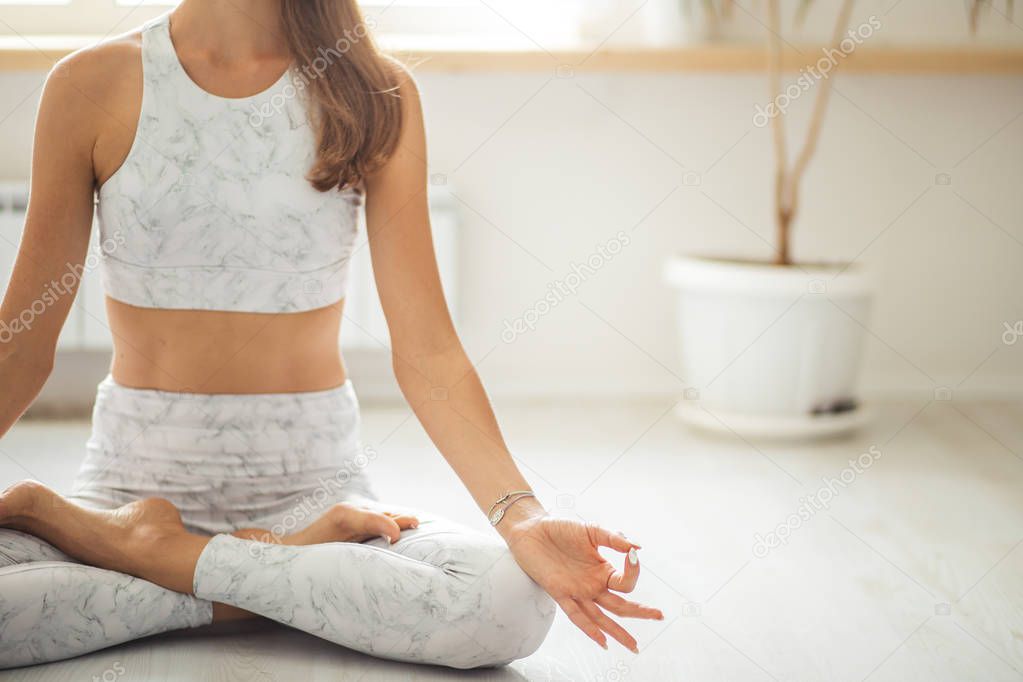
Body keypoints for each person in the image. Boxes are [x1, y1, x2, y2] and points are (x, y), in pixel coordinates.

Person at [0, 0, 662, 670]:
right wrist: (281, 571)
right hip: (126, 485)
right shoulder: (87, 86)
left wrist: (519, 517)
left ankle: (151, 556)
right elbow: (22, 345)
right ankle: (255, 571)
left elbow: (427, 350)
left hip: (318, 500)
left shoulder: (373, 91)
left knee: (507, 607)